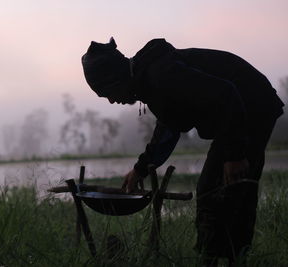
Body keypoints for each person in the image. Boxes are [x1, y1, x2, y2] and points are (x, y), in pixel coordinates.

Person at [81, 37, 284, 266]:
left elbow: (226, 94)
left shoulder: (162, 75)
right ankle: (227, 257)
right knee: (224, 188)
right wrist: (141, 169)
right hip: (242, 109)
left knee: (220, 188)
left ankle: (218, 258)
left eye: (107, 92)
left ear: (117, 79)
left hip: (252, 106)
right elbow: (168, 128)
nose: (110, 101)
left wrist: (235, 155)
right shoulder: (150, 79)